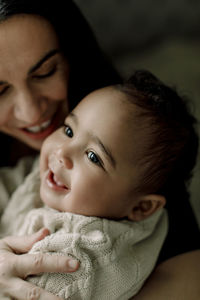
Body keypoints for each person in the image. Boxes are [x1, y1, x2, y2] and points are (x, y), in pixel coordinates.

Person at [0, 0, 199, 298]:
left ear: (73, 55)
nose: (31, 113)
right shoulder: (39, 173)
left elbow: (187, 274)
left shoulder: (133, 134)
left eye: (45, 72)